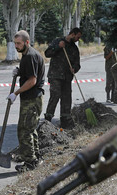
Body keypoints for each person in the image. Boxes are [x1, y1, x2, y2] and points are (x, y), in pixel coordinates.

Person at [7, 30, 45, 173]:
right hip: (34, 98)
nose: (16, 46)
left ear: (26, 42)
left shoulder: (29, 56)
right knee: (31, 128)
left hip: (31, 98)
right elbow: (30, 74)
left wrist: (15, 93)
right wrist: (20, 72)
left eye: (19, 43)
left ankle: (30, 162)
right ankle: (36, 158)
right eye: (15, 43)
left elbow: (32, 80)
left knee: (24, 131)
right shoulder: (29, 54)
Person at [44, 27, 82, 129]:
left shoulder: (74, 48)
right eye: (77, 37)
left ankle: (65, 120)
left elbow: (78, 64)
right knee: (55, 95)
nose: (78, 39)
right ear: (73, 34)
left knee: (66, 98)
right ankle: (47, 120)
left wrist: (74, 68)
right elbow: (47, 53)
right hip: (55, 75)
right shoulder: (58, 41)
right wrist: (58, 47)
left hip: (67, 77)